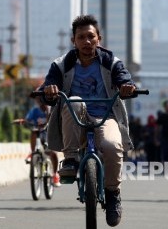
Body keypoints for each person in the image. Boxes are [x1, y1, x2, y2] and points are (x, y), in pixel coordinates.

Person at [39, 14, 136, 227]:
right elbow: (49, 86)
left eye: (91, 36)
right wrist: (49, 90)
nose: (87, 41)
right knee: (73, 100)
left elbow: (124, 79)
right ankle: (71, 159)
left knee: (111, 146)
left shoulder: (111, 62)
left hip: (106, 116)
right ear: (74, 41)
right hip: (75, 118)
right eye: (81, 37)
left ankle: (113, 194)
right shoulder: (61, 64)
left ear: (98, 38)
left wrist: (127, 87)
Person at [25, 96, 61, 187]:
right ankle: (34, 152)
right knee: (33, 132)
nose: (40, 101)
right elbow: (28, 119)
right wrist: (24, 121)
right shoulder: (35, 110)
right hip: (39, 132)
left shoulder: (50, 109)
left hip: (49, 133)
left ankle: (55, 174)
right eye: (38, 99)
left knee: (53, 153)